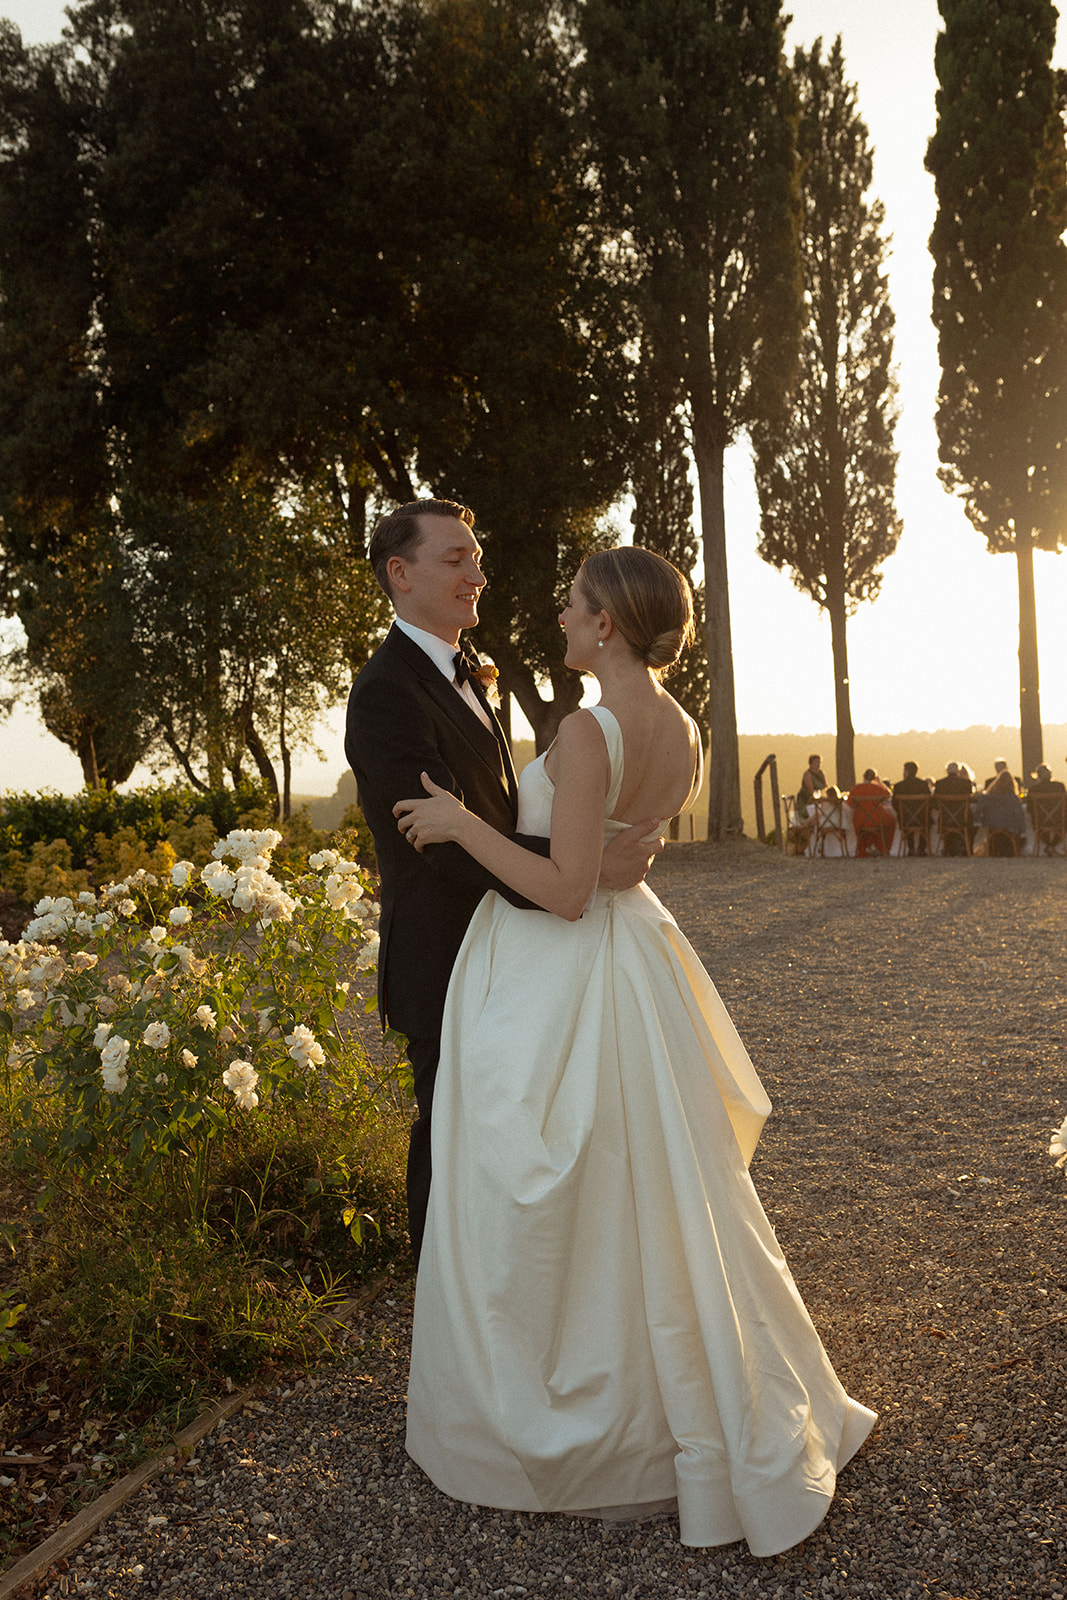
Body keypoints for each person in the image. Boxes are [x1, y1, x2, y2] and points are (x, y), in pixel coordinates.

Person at [394, 548, 876, 1555]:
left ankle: (568, 1419)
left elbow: (566, 887)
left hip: (556, 971)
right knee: (645, 1191)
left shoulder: (584, 728)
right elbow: (620, 858)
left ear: (604, 625)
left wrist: (456, 822)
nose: (561, 619)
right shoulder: (683, 729)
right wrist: (594, 852)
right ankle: (668, 1411)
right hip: (634, 962)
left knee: (549, 1185)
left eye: (571, 606)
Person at [344, 500, 660, 1262]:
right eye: (455, 560)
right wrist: (567, 878)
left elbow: (490, 814)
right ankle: (447, 1340)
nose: (477, 576)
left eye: (475, 559)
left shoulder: (468, 678)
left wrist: (576, 863)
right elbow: (438, 841)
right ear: (400, 572)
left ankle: (511, 1330)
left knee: (509, 1156)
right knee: (449, 1152)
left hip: (512, 954)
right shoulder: (385, 692)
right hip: (447, 958)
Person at [971, 766, 1027, 854]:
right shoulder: (1013, 798)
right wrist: (1022, 831)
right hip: (1009, 824)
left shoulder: (986, 798)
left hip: (991, 823)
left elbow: (979, 809)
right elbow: (1019, 815)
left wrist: (978, 821)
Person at [846, 768, 896, 857]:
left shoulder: (856, 788)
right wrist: (880, 783)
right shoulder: (877, 788)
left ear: (863, 776)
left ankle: (866, 848)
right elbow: (888, 795)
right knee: (891, 822)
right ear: (874, 778)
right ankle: (883, 848)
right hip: (877, 820)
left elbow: (849, 804)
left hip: (860, 821)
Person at [891, 761, 933, 856]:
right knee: (928, 821)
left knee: (905, 819)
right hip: (922, 819)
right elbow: (930, 803)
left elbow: (894, 804)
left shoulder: (899, 786)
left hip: (905, 819)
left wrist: (902, 812)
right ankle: (921, 849)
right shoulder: (923, 785)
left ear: (906, 771)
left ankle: (911, 848)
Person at [932, 762, 974, 856]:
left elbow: (934, 803)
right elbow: (971, 800)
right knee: (972, 818)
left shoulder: (939, 784)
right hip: (962, 818)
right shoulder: (966, 783)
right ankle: (965, 847)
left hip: (945, 818)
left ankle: (948, 848)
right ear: (958, 771)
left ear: (947, 771)